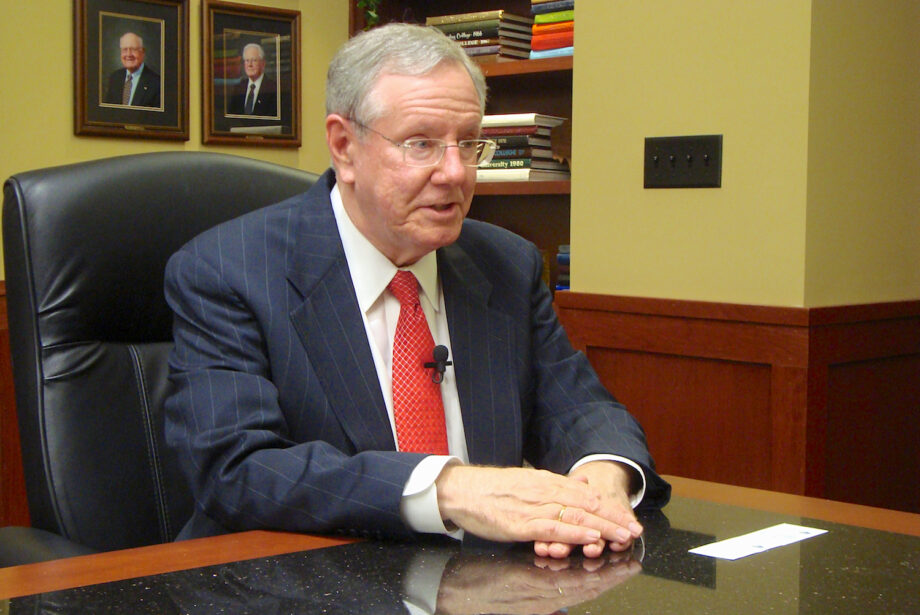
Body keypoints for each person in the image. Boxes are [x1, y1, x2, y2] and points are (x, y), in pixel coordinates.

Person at [164, 23, 670, 560]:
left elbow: (580, 408)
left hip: (481, 582)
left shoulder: (506, 264)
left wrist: (601, 478)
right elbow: (236, 467)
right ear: (344, 146)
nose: (454, 173)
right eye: (421, 144)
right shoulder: (228, 271)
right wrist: (451, 490)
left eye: (469, 143)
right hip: (294, 579)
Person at [103, 32, 160, 108]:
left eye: (133, 49)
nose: (128, 54)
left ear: (142, 52)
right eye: (125, 49)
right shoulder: (115, 77)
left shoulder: (157, 83)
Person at [227, 42, 277, 116]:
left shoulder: (274, 88)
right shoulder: (238, 88)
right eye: (247, 60)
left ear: (263, 63)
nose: (250, 64)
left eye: (254, 60)